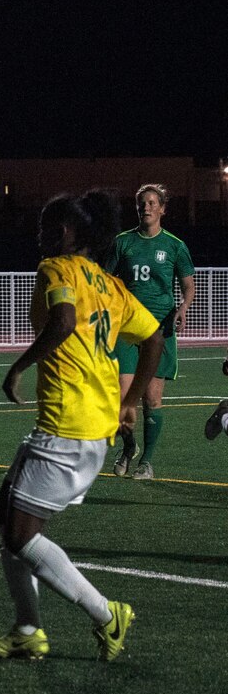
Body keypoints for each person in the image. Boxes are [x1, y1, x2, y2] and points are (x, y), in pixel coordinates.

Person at [0, 190, 162, 662]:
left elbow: (62, 320)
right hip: (89, 421)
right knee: (7, 519)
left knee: (20, 534)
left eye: (47, 226)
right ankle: (26, 629)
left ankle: (107, 615)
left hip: (69, 424)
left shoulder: (57, 270)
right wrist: (130, 400)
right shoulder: (110, 285)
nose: (41, 236)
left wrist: (19, 366)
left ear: (66, 231)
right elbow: (154, 337)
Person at [108, 183, 195, 480]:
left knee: (152, 400)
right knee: (123, 398)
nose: (145, 207)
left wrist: (182, 308)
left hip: (160, 332)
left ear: (162, 209)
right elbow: (107, 281)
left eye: (151, 202)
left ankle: (147, 461)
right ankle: (128, 447)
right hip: (128, 331)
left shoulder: (175, 246)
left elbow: (188, 286)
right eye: (141, 203)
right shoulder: (122, 243)